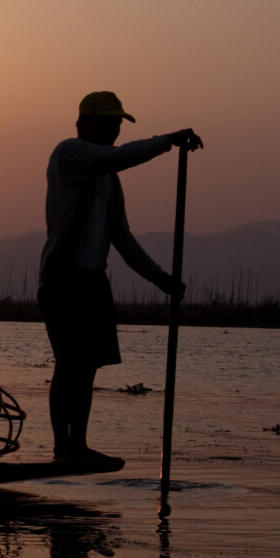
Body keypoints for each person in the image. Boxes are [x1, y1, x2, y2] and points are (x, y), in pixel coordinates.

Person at [38, 91, 202, 463]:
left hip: (93, 280)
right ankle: (63, 447)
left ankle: (78, 445)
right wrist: (168, 141)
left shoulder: (108, 179)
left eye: (117, 123)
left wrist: (160, 279)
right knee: (70, 362)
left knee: (87, 367)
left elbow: (122, 238)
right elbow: (120, 156)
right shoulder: (69, 154)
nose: (114, 129)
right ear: (85, 123)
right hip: (63, 278)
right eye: (108, 122)